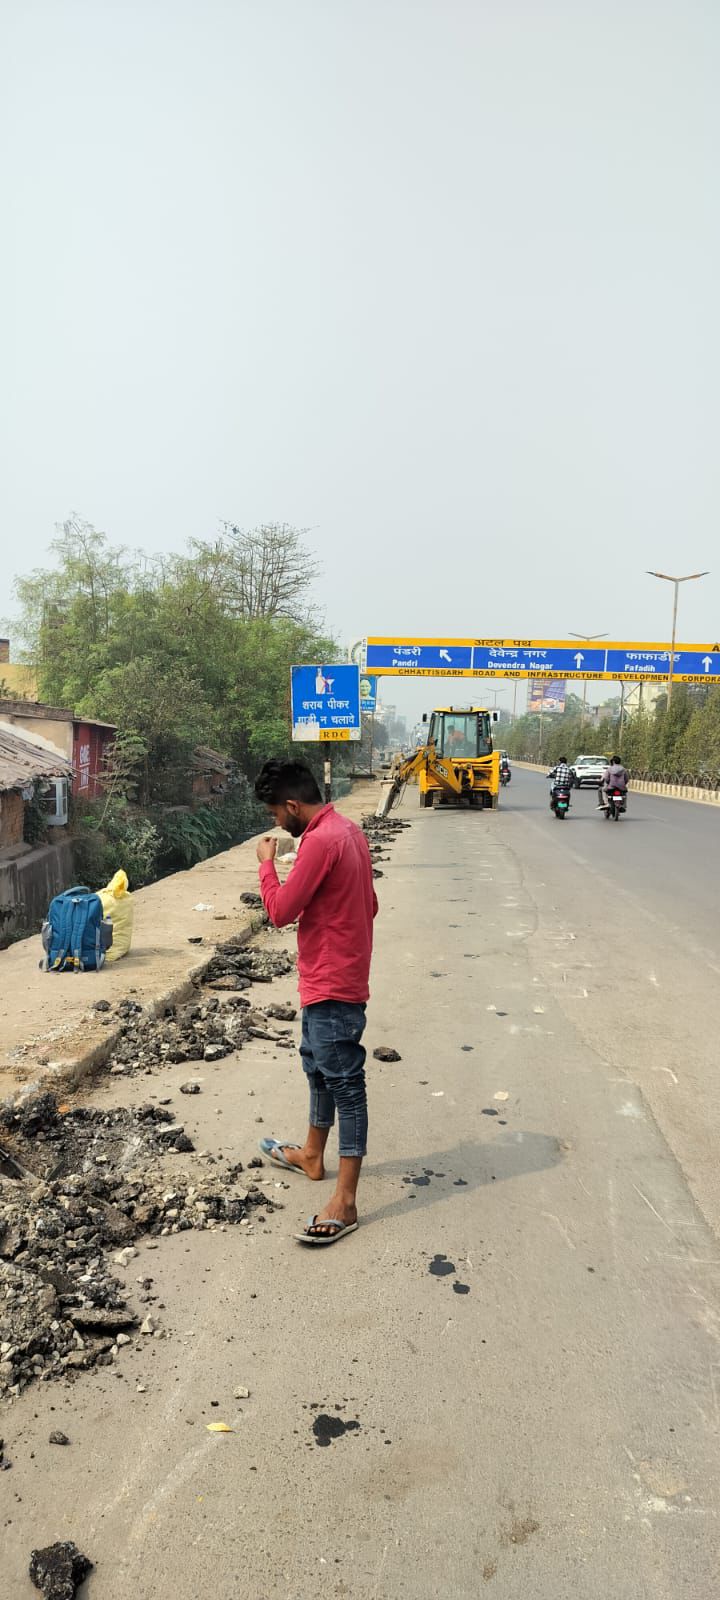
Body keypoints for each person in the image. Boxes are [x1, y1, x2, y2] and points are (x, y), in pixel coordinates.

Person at [254, 759, 378, 1246]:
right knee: (318, 1068)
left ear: (291, 805)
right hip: (334, 973)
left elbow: (281, 912)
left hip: (333, 981)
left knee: (345, 1083)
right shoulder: (348, 830)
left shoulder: (321, 841)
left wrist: (266, 864)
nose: (275, 825)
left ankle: (345, 1202)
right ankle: (311, 1154)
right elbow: (369, 904)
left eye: (275, 814)